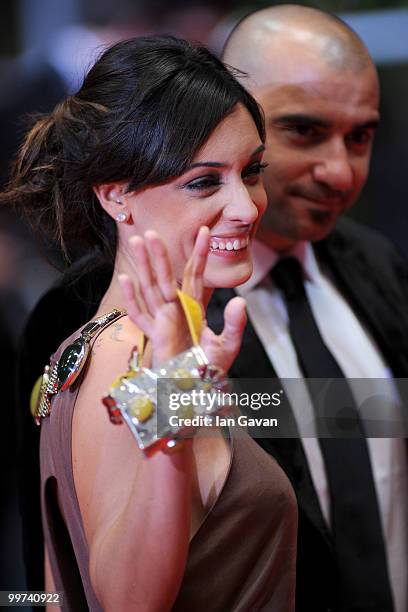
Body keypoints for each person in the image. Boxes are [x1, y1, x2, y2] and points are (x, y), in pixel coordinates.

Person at [2, 35, 297, 610]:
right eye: (204, 181)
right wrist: (175, 402)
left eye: (253, 170)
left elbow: (51, 595)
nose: (247, 206)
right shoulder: (130, 363)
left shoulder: (123, 346)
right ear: (117, 196)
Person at [208, 5, 408, 612]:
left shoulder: (378, 268)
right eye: (303, 130)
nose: (340, 172)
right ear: (220, 120)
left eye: (361, 137)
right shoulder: (115, 306)